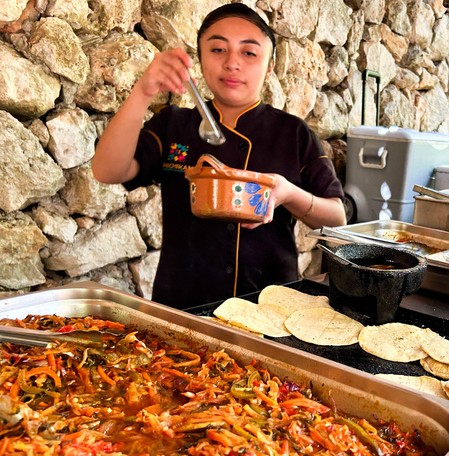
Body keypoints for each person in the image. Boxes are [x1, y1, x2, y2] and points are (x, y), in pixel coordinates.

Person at [92, 3, 346, 310]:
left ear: (269, 66)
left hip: (269, 307)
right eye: (217, 50)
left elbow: (336, 217)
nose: (232, 63)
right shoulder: (175, 125)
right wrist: (143, 91)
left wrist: (287, 193)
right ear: (200, 59)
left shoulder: (292, 133)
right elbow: (108, 171)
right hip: (184, 307)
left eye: (249, 53)